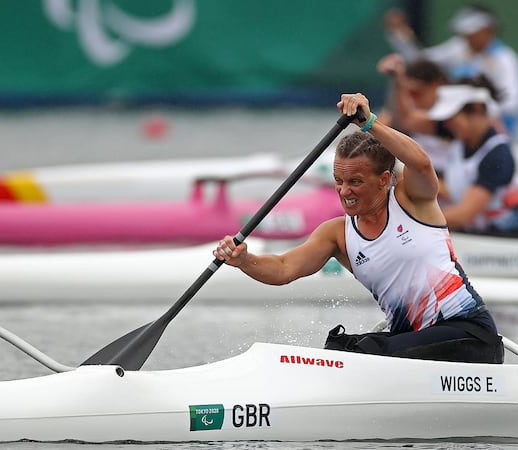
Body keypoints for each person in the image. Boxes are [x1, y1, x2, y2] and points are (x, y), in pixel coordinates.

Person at [214, 93, 503, 364]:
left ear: (383, 179)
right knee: (338, 348)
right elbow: (283, 268)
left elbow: (421, 162)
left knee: (361, 352)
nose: (344, 191)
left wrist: (370, 123)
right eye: (339, 181)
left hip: (469, 335)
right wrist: (243, 260)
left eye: (355, 181)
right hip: (412, 347)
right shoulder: (337, 234)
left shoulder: (411, 199)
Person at [378, 3, 518, 137]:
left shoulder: (505, 59)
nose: (466, 37)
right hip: (457, 124)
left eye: (472, 32)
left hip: (491, 128)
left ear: (487, 30)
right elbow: (422, 60)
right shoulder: (459, 47)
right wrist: (400, 36)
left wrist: (475, 109)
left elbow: (512, 103)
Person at [429, 84, 518, 239]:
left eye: (451, 118)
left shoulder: (498, 154)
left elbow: (464, 215)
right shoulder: (457, 143)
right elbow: (407, 120)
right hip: (484, 235)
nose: (447, 124)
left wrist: (416, 221)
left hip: (516, 236)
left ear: (476, 110)